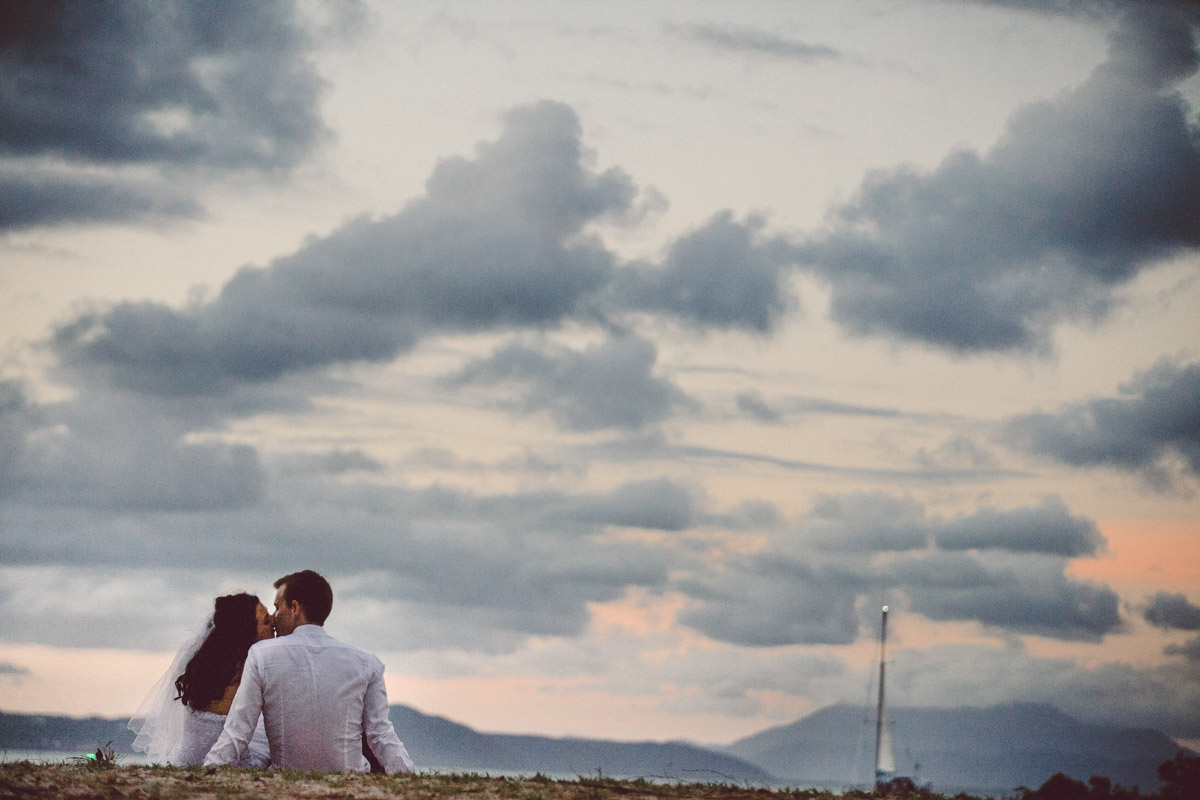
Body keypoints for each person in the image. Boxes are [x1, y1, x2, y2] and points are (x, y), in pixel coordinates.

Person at [204, 570, 415, 773]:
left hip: (287, 780)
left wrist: (209, 771)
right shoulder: (367, 662)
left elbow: (238, 731)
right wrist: (409, 778)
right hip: (350, 780)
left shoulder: (262, 655)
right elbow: (380, 734)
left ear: (295, 608)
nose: (275, 617)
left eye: (278, 607)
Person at [129, 592, 273, 765]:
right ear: (247, 631)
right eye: (266, 621)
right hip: (224, 765)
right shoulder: (245, 671)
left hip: (185, 762)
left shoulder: (210, 664)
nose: (273, 622)